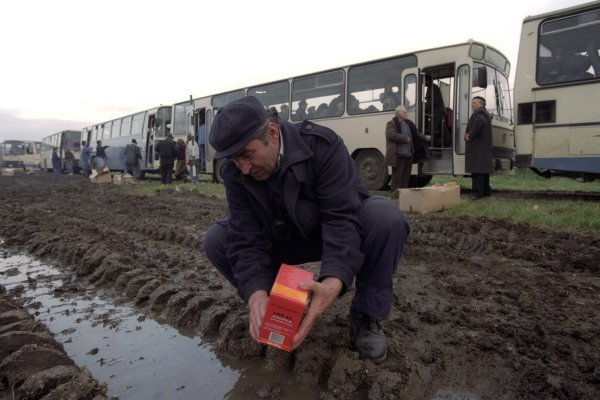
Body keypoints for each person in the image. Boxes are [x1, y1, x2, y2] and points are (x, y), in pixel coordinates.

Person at [204, 96, 410, 363]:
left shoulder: (322, 145)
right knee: (217, 239)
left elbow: (342, 218)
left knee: (385, 217)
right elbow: (246, 237)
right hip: (283, 238)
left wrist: (333, 281)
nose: (243, 167)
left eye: (247, 154)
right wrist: (256, 293)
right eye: (234, 159)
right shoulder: (237, 172)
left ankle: (366, 316)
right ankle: (279, 308)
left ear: (272, 132)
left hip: (330, 231)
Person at [384, 106, 430, 191]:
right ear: (398, 114)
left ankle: (403, 194)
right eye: (404, 112)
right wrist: (404, 138)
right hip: (399, 155)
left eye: (406, 112)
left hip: (409, 154)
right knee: (397, 177)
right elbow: (390, 135)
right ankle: (395, 195)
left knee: (406, 177)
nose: (406, 114)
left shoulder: (409, 123)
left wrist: (425, 137)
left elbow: (416, 133)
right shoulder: (391, 123)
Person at [464, 96, 493, 200]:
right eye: (472, 102)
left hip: (477, 148)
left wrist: (470, 135)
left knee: (477, 172)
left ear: (481, 104)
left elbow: (479, 122)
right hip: (483, 149)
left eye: (475, 102)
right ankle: (486, 191)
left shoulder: (479, 113)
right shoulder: (485, 113)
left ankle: (476, 193)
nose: (472, 104)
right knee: (483, 172)